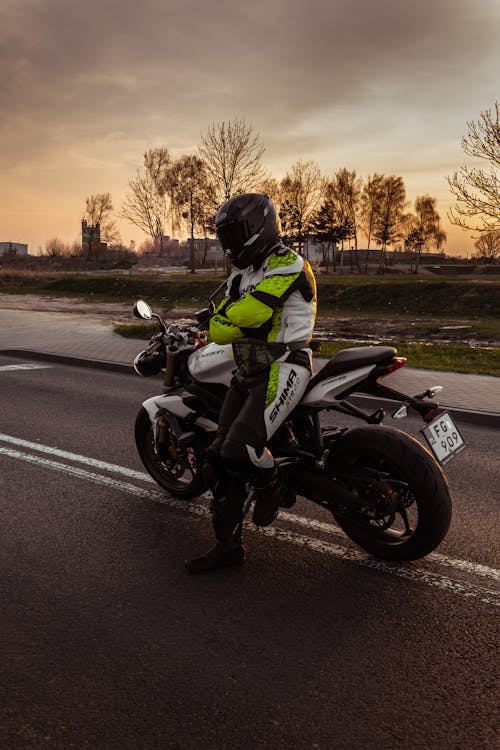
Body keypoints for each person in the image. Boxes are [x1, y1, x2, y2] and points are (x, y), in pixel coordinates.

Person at [186, 193, 317, 574]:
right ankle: (228, 548)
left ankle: (271, 482)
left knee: (237, 449)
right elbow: (222, 317)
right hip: (247, 369)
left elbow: (251, 312)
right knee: (216, 459)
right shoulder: (242, 273)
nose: (229, 244)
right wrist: (224, 323)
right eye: (225, 236)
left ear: (260, 227)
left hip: (285, 365)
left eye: (236, 233)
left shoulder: (288, 263)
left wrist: (226, 323)